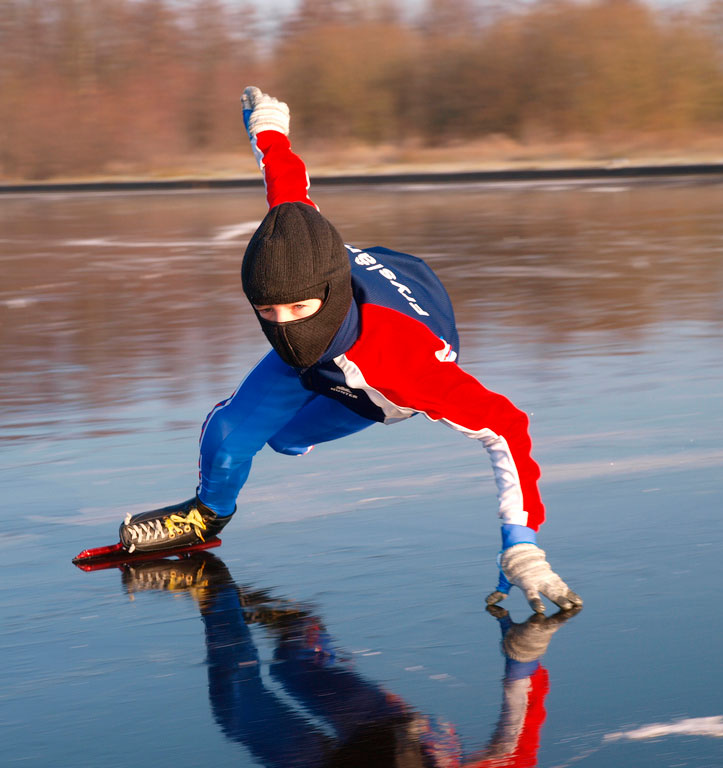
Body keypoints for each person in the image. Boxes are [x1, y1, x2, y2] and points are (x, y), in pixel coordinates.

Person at [118, 87, 581, 613]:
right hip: (339, 335)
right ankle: (209, 512)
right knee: (228, 431)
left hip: (375, 378)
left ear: (329, 293)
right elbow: (286, 185)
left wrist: (522, 544)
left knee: (288, 438)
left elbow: (508, 426)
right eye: (268, 313)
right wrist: (268, 128)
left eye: (298, 309)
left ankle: (307, 639)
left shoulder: (405, 368)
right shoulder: (298, 242)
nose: (284, 327)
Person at [121, 552, 580, 768]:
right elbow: (519, 733)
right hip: (401, 744)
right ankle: (299, 632)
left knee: (240, 716)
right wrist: (524, 657)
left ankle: (214, 591)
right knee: (295, 669)